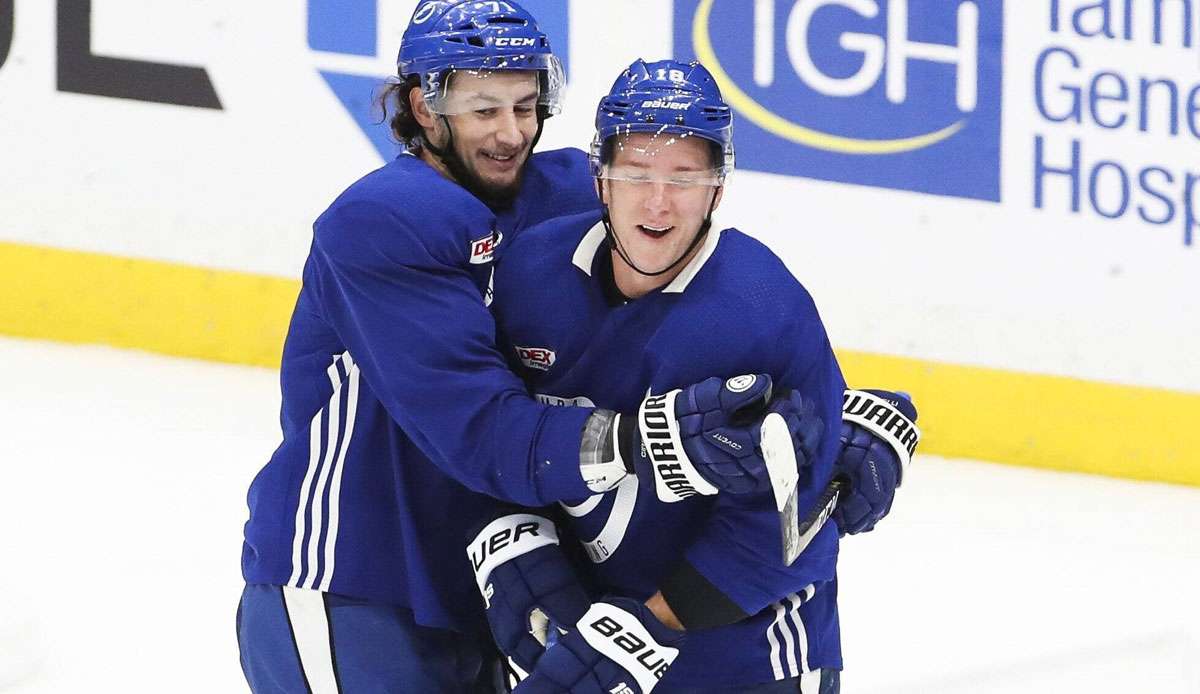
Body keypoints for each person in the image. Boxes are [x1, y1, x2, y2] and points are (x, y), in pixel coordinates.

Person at [236, 3, 828, 692]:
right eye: (483, 109)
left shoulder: (570, 194)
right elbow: (483, 432)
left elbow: (719, 314)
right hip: (356, 578)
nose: (511, 132)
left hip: (481, 595)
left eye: (526, 104)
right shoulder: (383, 219)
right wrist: (647, 439)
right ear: (423, 108)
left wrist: (834, 431)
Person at [475, 59, 921, 693]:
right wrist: (513, 547)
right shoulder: (530, 275)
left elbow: (791, 537)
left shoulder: (764, 312)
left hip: (746, 658)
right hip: (580, 629)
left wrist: (633, 635)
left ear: (717, 188)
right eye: (636, 174)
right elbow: (485, 425)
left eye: (685, 178)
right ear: (601, 179)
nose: (658, 203)